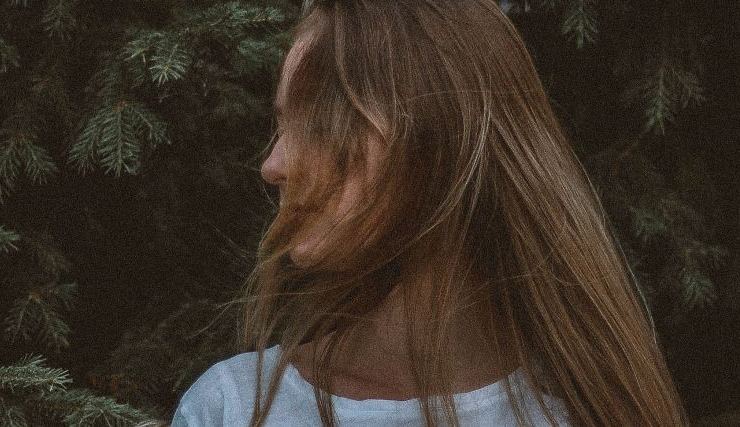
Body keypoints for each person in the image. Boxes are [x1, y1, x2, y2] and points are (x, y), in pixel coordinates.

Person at [171, 0, 688, 425]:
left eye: (319, 123)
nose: (272, 165)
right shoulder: (234, 408)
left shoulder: (579, 414)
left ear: (434, 137)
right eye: (282, 126)